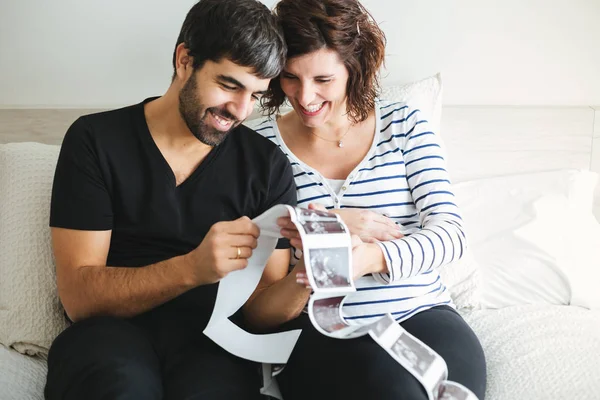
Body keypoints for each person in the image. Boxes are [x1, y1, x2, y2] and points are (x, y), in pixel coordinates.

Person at [44, 1, 294, 399]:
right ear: (184, 60)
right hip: (107, 335)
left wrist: (314, 274)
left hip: (214, 343)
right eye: (229, 85)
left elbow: (261, 309)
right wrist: (192, 269)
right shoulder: (95, 141)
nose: (240, 110)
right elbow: (79, 297)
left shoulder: (267, 167)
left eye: (255, 95)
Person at [243, 0, 487, 399]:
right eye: (290, 78)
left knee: (449, 390)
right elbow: (260, 305)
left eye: (323, 79)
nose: (304, 98)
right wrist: (329, 235)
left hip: (422, 312)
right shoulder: (259, 149)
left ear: (353, 67)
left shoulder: (404, 124)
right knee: (392, 389)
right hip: (323, 329)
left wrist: (366, 260)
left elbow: (451, 236)